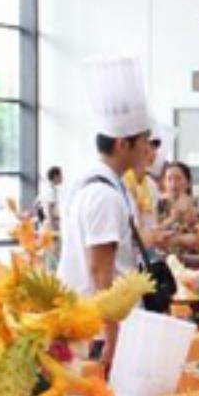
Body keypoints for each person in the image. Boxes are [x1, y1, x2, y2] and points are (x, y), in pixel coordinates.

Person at [58, 56, 152, 375]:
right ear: (123, 144)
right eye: (144, 141)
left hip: (102, 321)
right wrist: (111, 337)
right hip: (101, 326)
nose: (148, 149)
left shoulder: (101, 186)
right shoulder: (104, 196)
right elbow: (100, 271)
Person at [123, 135, 162, 232]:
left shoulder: (151, 184)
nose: (152, 152)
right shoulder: (122, 181)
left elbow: (152, 222)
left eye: (154, 148)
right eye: (147, 145)